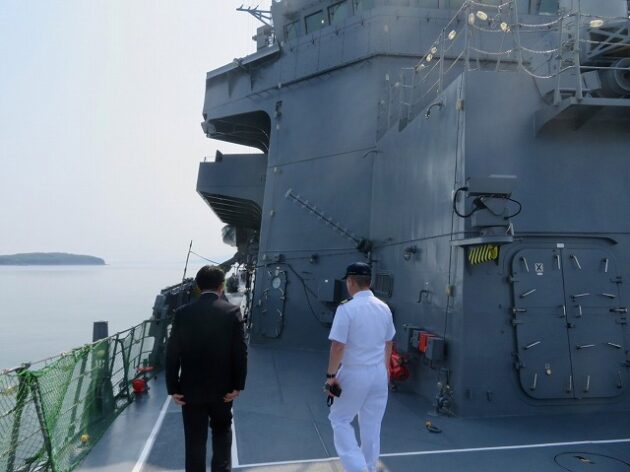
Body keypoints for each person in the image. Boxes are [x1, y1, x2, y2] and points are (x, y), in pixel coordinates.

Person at [166, 265, 247, 472]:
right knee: (222, 432)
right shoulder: (232, 312)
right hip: (223, 390)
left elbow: (172, 353)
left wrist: (173, 388)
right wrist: (237, 386)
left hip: (190, 390)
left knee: (194, 441)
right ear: (221, 286)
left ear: (198, 286)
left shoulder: (182, 313)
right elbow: (239, 352)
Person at [325, 262, 395, 472]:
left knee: (339, 419)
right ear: (369, 282)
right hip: (379, 373)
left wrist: (331, 376)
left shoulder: (347, 308)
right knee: (372, 425)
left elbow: (338, 346)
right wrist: (385, 369)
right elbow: (389, 342)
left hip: (354, 372)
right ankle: (370, 467)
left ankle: (358, 468)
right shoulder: (384, 307)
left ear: (350, 282)